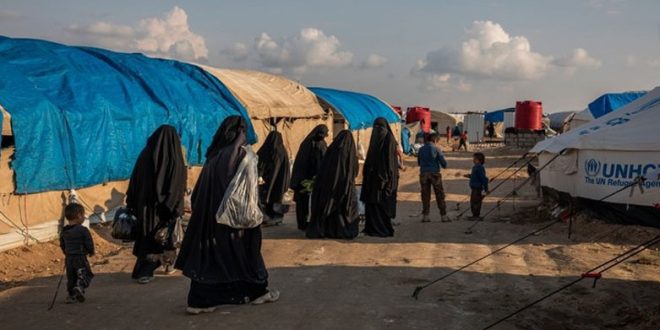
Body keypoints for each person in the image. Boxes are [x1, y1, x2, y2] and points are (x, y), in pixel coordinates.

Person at [175, 116, 278, 315]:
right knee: (244, 255)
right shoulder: (242, 156)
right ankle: (256, 292)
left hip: (209, 219)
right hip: (234, 221)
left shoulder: (214, 155)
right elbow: (247, 194)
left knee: (211, 259)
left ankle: (200, 301)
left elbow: (199, 192)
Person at [126, 125, 186, 284]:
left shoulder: (145, 154)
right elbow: (177, 185)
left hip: (145, 208)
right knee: (166, 236)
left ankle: (158, 266)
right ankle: (148, 270)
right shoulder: (174, 157)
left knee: (150, 238)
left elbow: (134, 181)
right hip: (165, 208)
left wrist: (132, 202)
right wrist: (175, 207)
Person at [306, 130, 360, 239]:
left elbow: (324, 169)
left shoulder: (332, 151)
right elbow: (353, 171)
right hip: (345, 187)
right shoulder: (349, 152)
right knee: (344, 209)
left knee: (332, 207)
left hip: (329, 187)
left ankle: (330, 230)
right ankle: (343, 230)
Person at [361, 118, 400, 237]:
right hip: (372, 180)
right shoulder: (376, 140)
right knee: (372, 205)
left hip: (384, 180)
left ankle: (382, 229)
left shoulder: (389, 140)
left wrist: (384, 179)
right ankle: (372, 228)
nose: (377, 130)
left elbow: (389, 163)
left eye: (380, 128)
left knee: (381, 205)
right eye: (375, 128)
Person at [290, 125, 328, 231]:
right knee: (306, 201)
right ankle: (305, 223)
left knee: (302, 202)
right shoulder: (318, 144)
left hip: (301, 177)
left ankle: (302, 223)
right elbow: (319, 161)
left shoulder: (307, 143)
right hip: (308, 178)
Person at [59, 203, 94, 303]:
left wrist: (66, 253)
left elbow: (62, 244)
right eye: (83, 215)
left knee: (71, 277)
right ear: (79, 216)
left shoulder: (64, 231)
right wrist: (91, 251)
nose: (83, 217)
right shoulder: (83, 230)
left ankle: (71, 296)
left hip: (69, 259)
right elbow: (88, 242)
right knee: (85, 274)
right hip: (80, 257)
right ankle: (79, 287)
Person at [257, 130, 290, 226]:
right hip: (278, 180)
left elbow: (264, 164)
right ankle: (276, 217)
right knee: (276, 196)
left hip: (271, 179)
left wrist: (262, 175)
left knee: (271, 197)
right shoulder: (282, 150)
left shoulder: (273, 150)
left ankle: (272, 217)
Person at [417, 133, 450, 223]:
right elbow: (444, 164)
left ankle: (426, 216)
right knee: (439, 195)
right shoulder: (437, 149)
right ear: (435, 140)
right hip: (434, 174)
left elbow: (419, 163)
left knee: (425, 195)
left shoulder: (421, 149)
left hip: (423, 174)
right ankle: (443, 216)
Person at [464, 152, 489, 220]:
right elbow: (475, 176)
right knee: (473, 201)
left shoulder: (480, 168)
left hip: (478, 189)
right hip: (474, 188)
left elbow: (483, 178)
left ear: (480, 160)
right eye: (474, 159)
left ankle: (476, 216)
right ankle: (474, 215)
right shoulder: (475, 167)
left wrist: (486, 189)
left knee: (476, 202)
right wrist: (468, 176)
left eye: (475, 159)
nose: (473, 160)